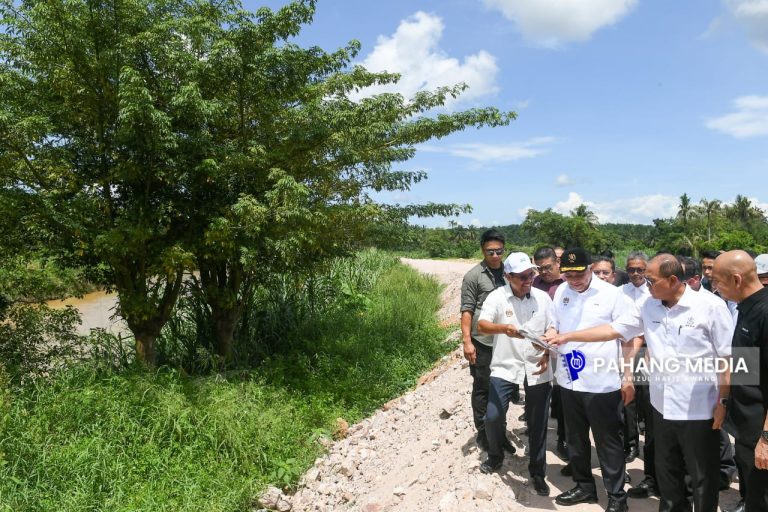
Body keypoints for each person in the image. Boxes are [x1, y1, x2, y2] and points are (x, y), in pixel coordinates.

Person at [546, 254, 734, 512]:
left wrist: (723, 402)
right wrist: (568, 336)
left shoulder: (710, 306)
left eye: (651, 280)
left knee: (701, 475)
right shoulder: (649, 305)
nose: (645, 285)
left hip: (699, 408)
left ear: (671, 280)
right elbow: (613, 329)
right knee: (667, 473)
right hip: (661, 406)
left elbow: (727, 358)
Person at [544, 248, 634, 512]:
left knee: (608, 441)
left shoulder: (612, 295)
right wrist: (550, 334)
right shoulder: (562, 292)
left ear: (591, 268)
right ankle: (584, 486)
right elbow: (554, 324)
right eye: (568, 274)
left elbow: (626, 336)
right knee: (575, 438)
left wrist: (627, 376)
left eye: (579, 273)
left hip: (602, 381)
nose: (574, 280)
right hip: (569, 379)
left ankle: (617, 496)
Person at [476, 252, 553, 496]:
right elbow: (482, 325)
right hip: (505, 366)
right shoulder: (497, 297)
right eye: (522, 276)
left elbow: (552, 326)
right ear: (508, 276)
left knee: (538, 422)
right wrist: (504, 329)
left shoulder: (542, 298)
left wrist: (548, 348)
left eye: (531, 274)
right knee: (493, 416)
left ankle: (538, 472)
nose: (528, 279)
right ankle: (496, 454)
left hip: (537, 367)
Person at [712, 251, 768, 512]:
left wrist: (766, 439)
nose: (715, 287)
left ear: (736, 279)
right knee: (753, 495)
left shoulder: (764, 313)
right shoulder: (746, 309)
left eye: (717, 281)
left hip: (761, 431)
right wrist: (724, 402)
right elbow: (747, 368)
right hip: (747, 428)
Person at [678, 256, 739, 493]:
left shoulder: (711, 303)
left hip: (712, 379)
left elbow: (726, 349)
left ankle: (723, 471)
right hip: (686, 380)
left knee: (716, 429)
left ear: (694, 279)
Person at [460, 229, 515, 453]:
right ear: (482, 250)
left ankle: (499, 432)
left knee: (504, 388)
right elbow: (467, 310)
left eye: (498, 251)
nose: (494, 255)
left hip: (507, 343)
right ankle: (483, 433)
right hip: (482, 342)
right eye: (489, 251)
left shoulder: (510, 273)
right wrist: (467, 341)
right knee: (482, 388)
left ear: (504, 249)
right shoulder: (473, 276)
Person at [532, 245, 567, 461]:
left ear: (557, 263)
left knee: (564, 396)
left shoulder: (567, 284)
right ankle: (538, 441)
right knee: (540, 393)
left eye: (547, 267)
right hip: (540, 346)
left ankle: (563, 439)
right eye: (539, 268)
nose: (543, 272)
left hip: (564, 346)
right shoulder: (534, 284)